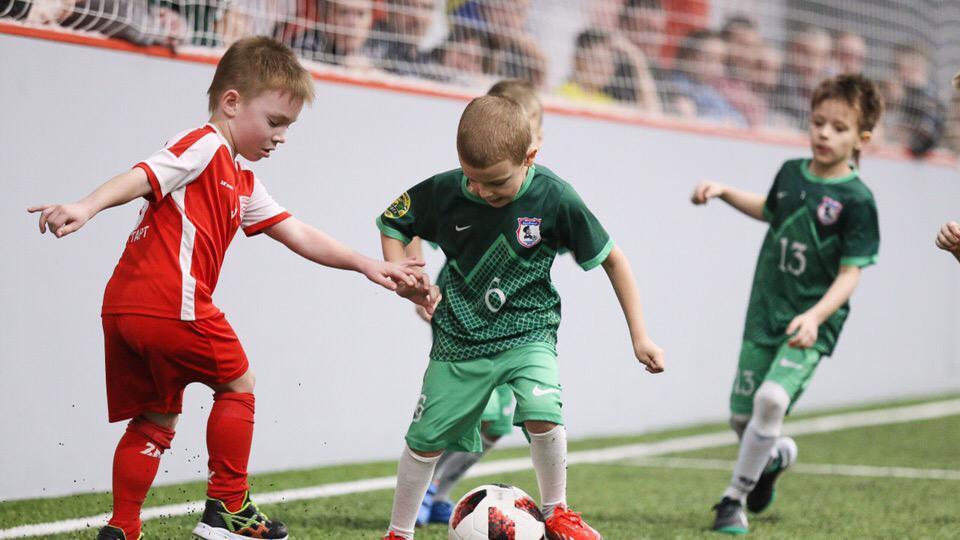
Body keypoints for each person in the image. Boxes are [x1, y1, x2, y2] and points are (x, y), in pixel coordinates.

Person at [27, 37, 421, 540]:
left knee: (155, 418)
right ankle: (228, 508)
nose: (281, 137)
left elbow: (298, 233)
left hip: (124, 307)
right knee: (239, 383)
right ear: (232, 102)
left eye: (288, 127)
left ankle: (123, 526)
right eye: (275, 121)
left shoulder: (242, 180)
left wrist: (367, 265)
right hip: (172, 301)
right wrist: (86, 206)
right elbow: (143, 175)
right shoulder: (206, 145)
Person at [376, 94, 665, 539]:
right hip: (458, 338)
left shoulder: (555, 196)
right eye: (472, 179)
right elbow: (393, 222)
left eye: (495, 182)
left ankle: (558, 512)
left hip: (528, 331)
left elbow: (614, 259)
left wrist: (640, 336)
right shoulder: (445, 191)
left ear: (530, 157)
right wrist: (404, 273)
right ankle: (398, 533)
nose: (481, 191)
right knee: (424, 440)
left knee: (542, 408)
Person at [691, 74, 883, 535]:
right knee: (742, 417)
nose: (824, 133)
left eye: (839, 127)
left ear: (862, 139)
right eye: (818, 122)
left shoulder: (857, 200)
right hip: (765, 312)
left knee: (772, 399)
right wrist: (724, 191)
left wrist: (815, 316)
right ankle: (773, 457)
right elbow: (769, 210)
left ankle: (733, 500)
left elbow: (851, 272)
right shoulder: (791, 173)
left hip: (811, 323)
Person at [410, 79, 544, 527]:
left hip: (513, 327)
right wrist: (417, 278)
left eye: (539, 129)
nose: (537, 137)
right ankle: (423, 491)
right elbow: (410, 218)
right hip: (465, 317)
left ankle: (437, 490)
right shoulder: (471, 189)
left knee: (496, 425)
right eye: (531, 127)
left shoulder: (536, 194)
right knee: (467, 412)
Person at [669, 29, 747, 126]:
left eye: (722, 61)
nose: (717, 68)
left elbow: (739, 120)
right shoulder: (675, 87)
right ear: (690, 58)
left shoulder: (708, 90)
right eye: (710, 59)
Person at [773, 25, 832, 130]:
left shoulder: (829, 86)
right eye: (806, 54)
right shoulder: (778, 78)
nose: (813, 64)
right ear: (793, 52)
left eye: (821, 57)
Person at [366, 0, 437, 77]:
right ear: (389, 8)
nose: (418, 17)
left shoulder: (429, 64)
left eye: (426, 7)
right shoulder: (370, 50)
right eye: (408, 6)